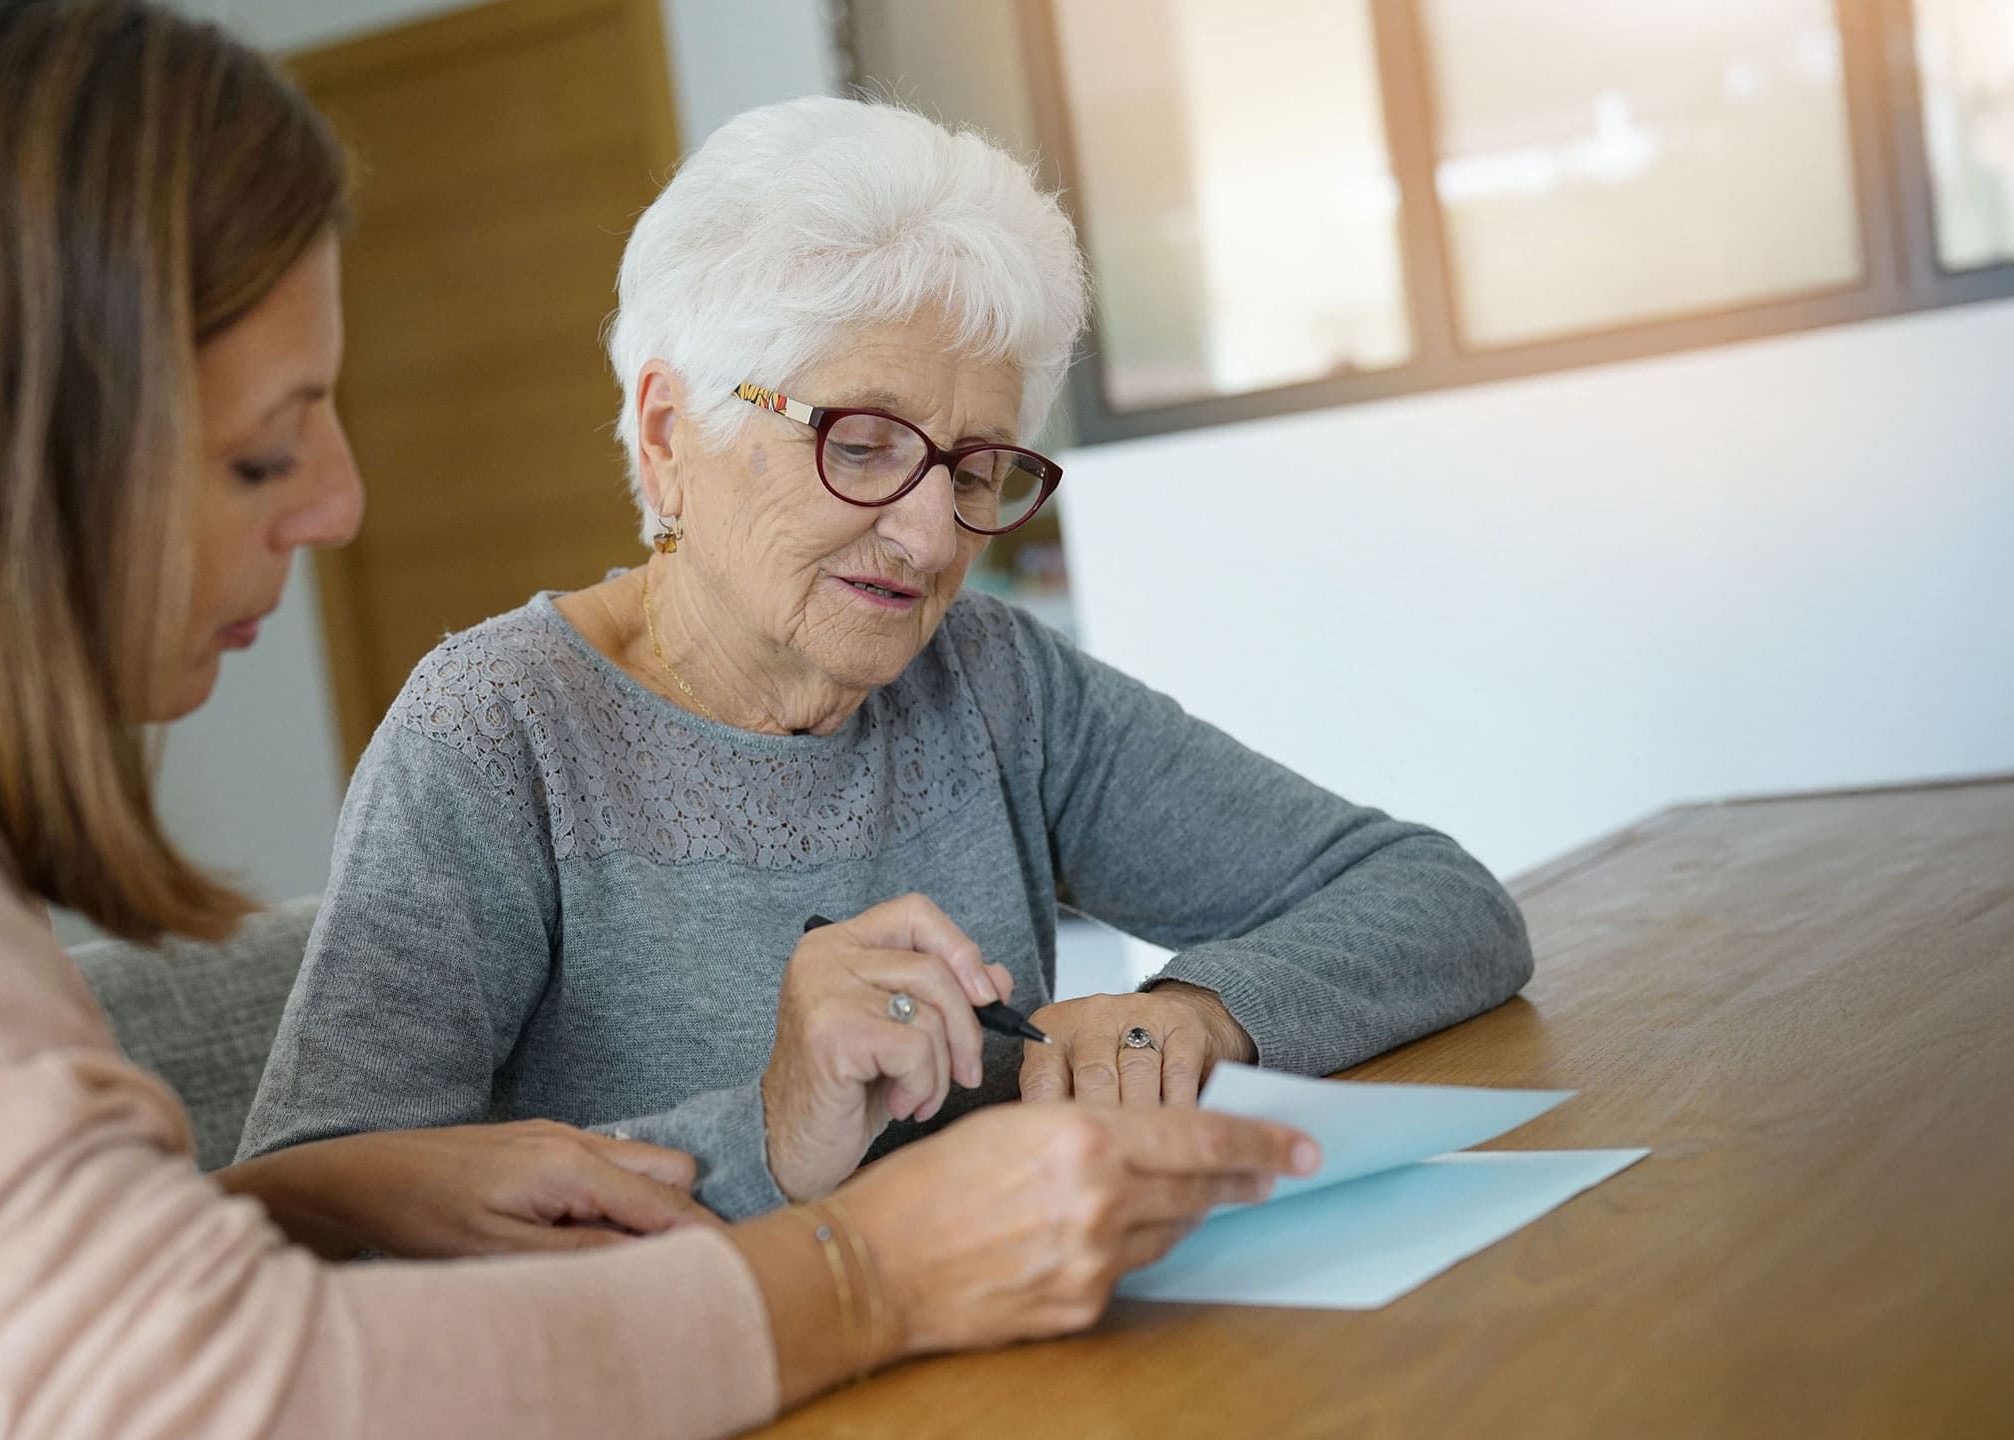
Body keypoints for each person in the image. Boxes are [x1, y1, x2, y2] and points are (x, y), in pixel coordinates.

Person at [0, 5, 1319, 1436]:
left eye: (977, 463)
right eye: (264, 446)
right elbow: (220, 1398)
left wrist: (325, 1198)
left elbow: (68, 1315)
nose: (337, 505)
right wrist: (862, 1274)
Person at [242, 95, 1532, 1219]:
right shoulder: (500, 730)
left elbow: (1435, 899)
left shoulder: (988, 680)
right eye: (861, 442)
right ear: (669, 428)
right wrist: (771, 1135)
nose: (927, 535)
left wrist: (1196, 1013)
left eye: (977, 465)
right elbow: (319, 1205)